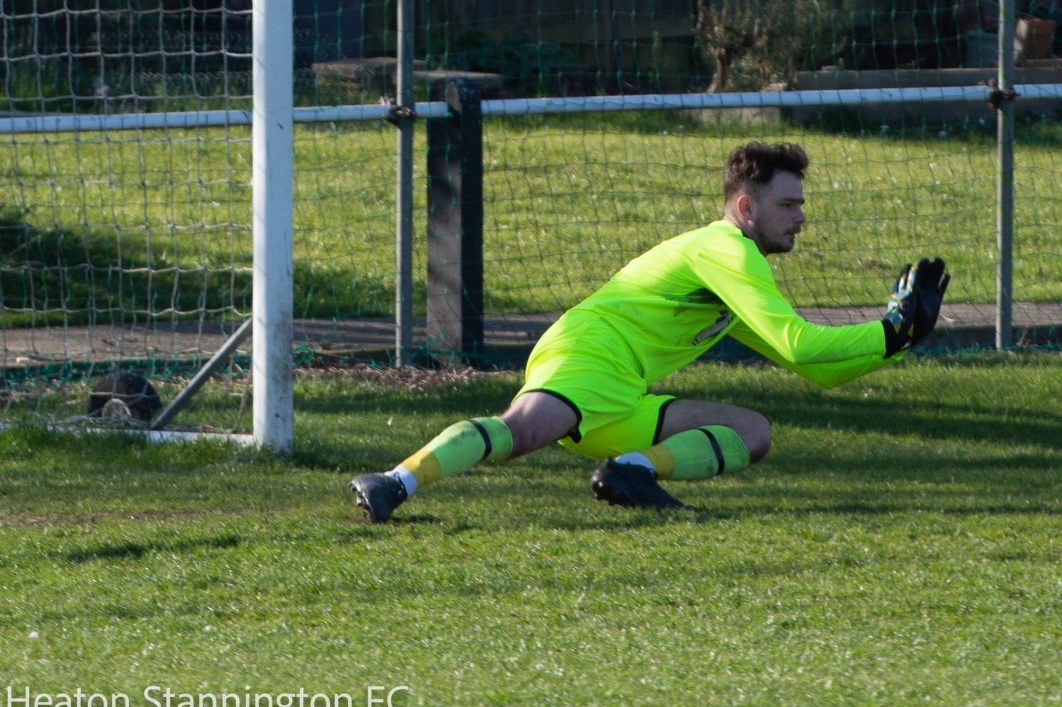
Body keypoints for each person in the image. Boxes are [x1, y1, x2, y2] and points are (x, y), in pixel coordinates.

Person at [350, 141, 949, 521]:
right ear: (746, 208)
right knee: (523, 431)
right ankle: (395, 481)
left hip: (624, 391)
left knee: (752, 432)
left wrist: (901, 339)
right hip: (591, 350)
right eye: (788, 204)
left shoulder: (736, 268)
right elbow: (800, 341)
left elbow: (815, 367)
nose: (801, 216)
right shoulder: (726, 249)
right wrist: (890, 330)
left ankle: (630, 471)